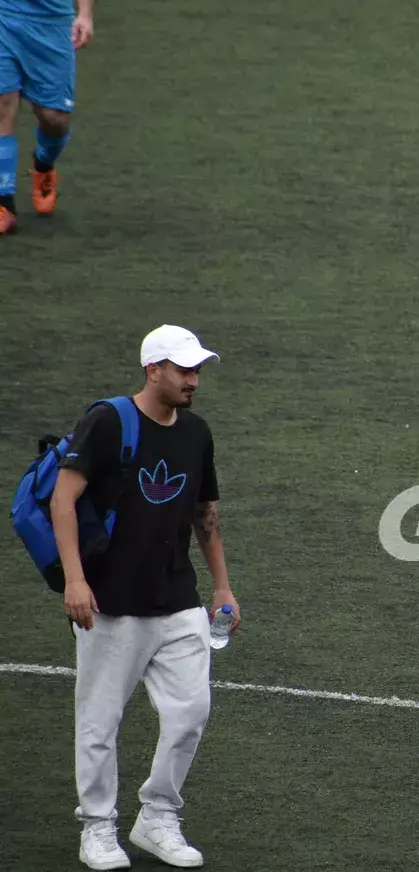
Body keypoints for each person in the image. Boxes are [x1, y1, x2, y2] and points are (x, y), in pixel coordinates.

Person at [50, 325, 236, 870]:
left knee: (191, 712)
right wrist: (75, 579)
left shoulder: (196, 432)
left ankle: (157, 815)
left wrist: (222, 585)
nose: (193, 380)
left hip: (178, 599)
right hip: (110, 604)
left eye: (196, 370)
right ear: (153, 370)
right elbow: (63, 499)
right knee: (99, 723)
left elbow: (205, 513)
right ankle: (97, 827)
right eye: (183, 370)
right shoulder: (108, 422)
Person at [0, 0, 95, 236]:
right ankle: (3, 203)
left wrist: (84, 14)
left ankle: (43, 163)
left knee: (54, 117)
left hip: (50, 19)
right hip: (3, 12)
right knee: (3, 102)